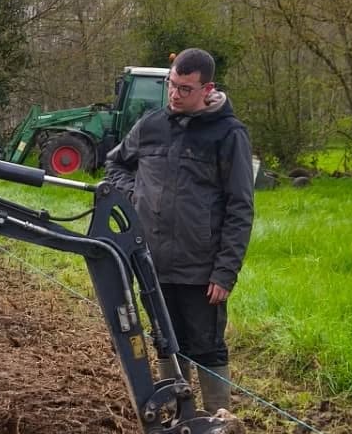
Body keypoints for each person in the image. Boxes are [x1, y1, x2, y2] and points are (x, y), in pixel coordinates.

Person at [104, 47, 254, 412]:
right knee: (165, 340)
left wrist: (225, 270)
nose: (175, 94)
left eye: (185, 89)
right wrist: (134, 193)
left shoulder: (228, 135)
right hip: (152, 262)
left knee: (206, 346)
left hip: (201, 269)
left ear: (207, 88)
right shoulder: (152, 125)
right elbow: (115, 164)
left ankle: (218, 422)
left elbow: (240, 207)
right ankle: (175, 415)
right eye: (172, 85)